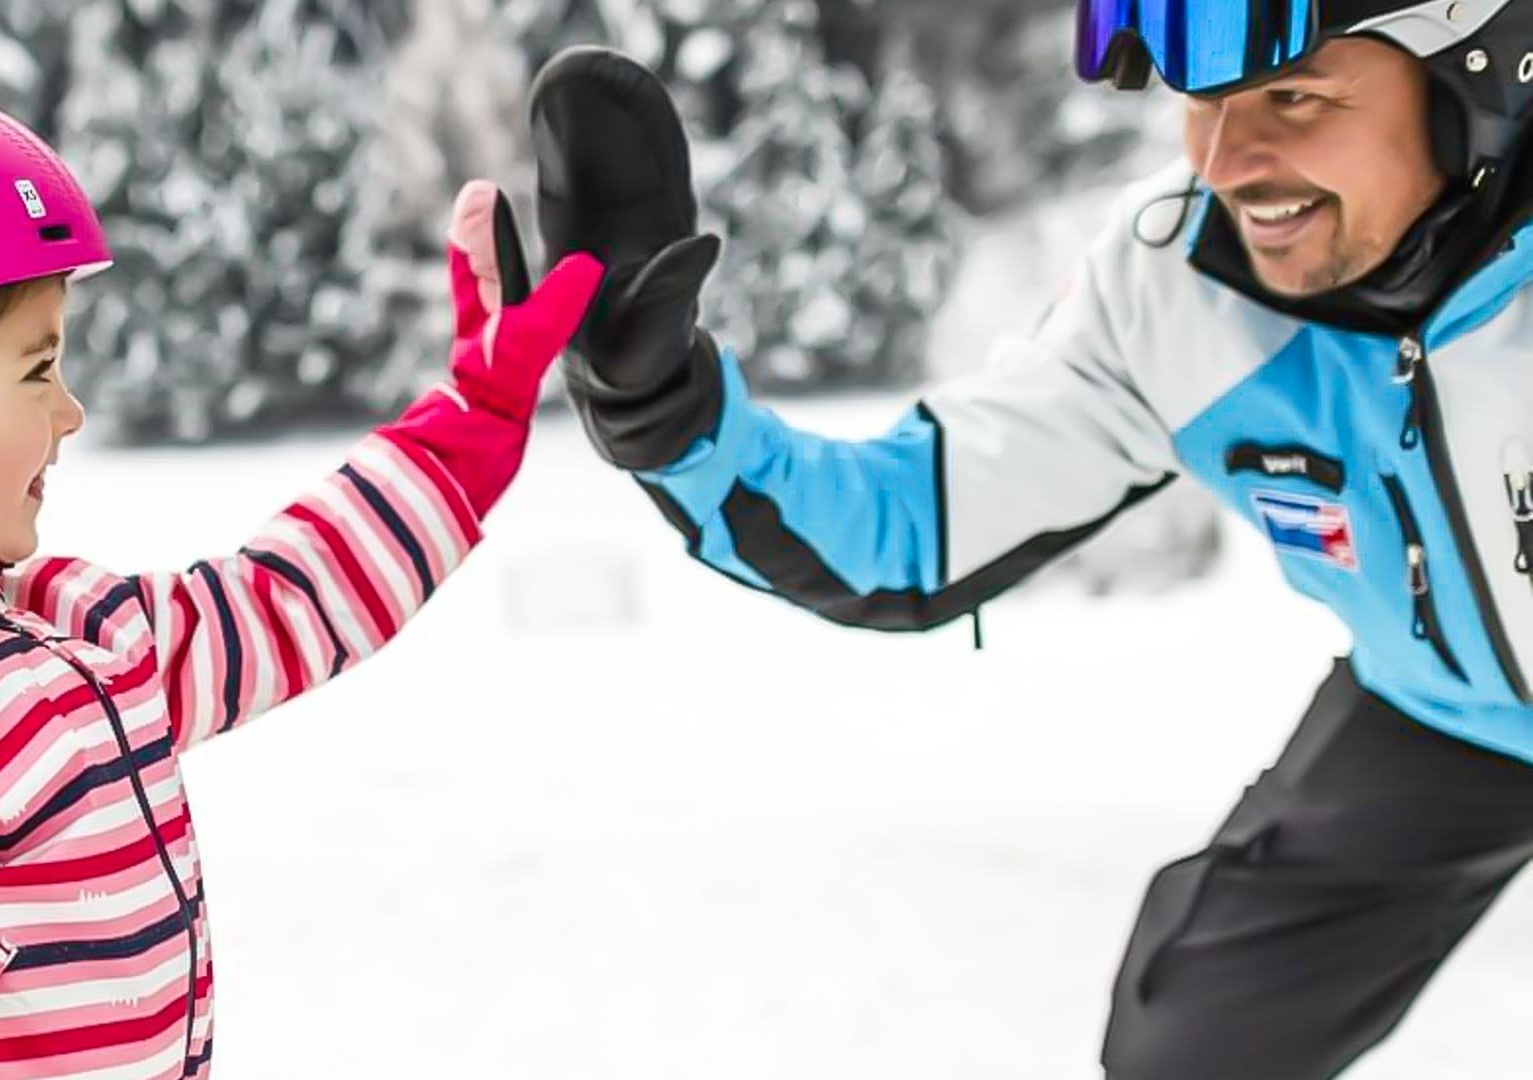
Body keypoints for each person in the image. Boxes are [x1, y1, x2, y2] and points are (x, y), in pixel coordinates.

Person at [529, 0, 1533, 1073]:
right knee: (1191, 1042)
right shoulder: (1178, 287)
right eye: (1203, 102)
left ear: (1483, 81)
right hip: (1441, 717)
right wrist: (669, 411)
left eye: (1294, 97)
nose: (1229, 161)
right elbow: (920, 522)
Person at [0, 73, 598, 1078]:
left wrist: (474, 415)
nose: (71, 413)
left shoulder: (44, 630)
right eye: (37, 369)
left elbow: (277, 607)